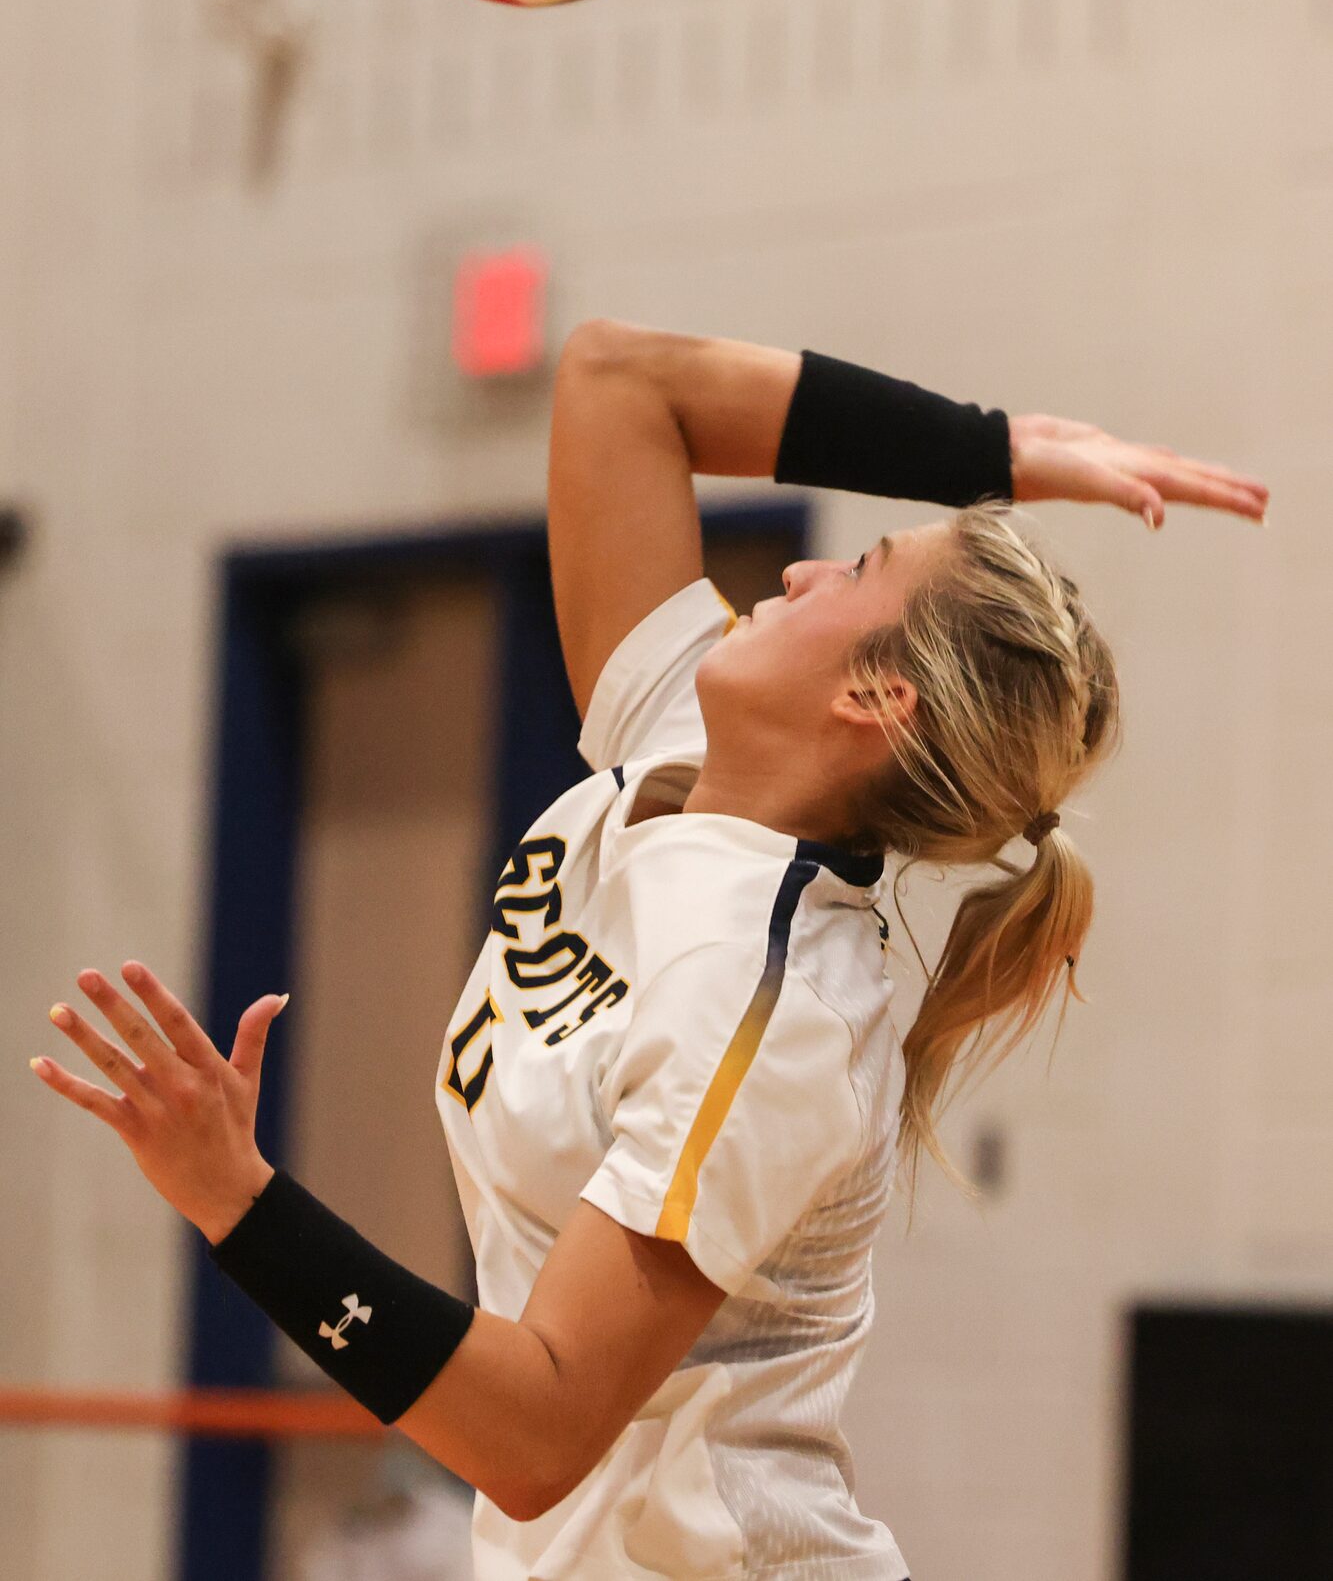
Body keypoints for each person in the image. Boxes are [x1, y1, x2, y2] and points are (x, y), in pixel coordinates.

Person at [31, 323, 1269, 1579]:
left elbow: (535, 1428)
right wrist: (989, 449)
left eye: (856, 569)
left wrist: (238, 1205)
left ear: (874, 698)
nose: (797, 577)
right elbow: (621, 380)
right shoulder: (676, 731)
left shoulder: (773, 1003)